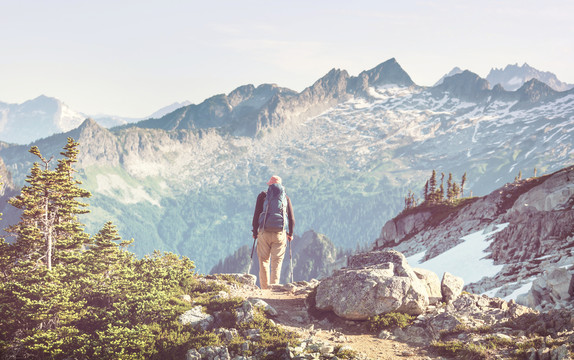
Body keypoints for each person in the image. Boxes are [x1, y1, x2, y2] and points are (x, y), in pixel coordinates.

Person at [251, 175, 295, 289]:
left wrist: (255, 232)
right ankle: (273, 289)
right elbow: (291, 219)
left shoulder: (262, 196)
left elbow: (256, 215)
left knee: (264, 261)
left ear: (270, 185)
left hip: (264, 233)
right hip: (280, 234)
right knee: (276, 263)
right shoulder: (285, 198)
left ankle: (265, 289)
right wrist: (290, 234)